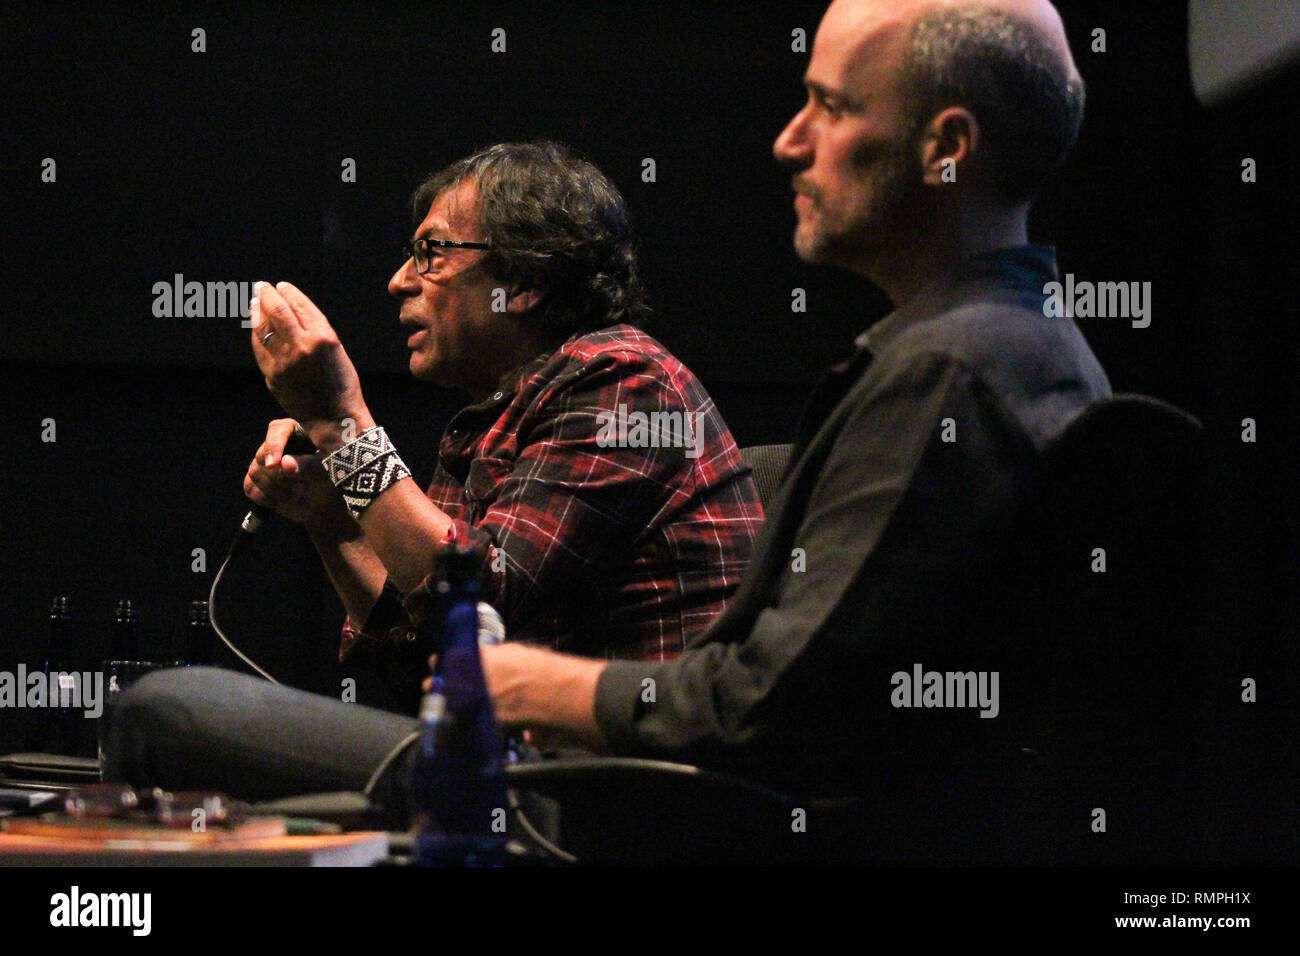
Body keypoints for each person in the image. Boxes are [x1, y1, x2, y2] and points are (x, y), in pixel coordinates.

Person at [113, 0, 1108, 861]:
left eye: (831, 106)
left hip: (639, 808)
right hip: (615, 784)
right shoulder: (969, 356)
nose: (787, 141)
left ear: (946, 148)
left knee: (164, 712)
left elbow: (758, 707)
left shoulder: (943, 374)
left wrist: (343, 422)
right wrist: (337, 516)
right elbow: (418, 646)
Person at [242, 141, 761, 708]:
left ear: (522, 280)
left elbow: (477, 605)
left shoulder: (624, 382)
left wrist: (340, 422)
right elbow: (421, 657)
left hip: (625, 778)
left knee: (175, 708)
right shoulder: (493, 413)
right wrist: (330, 517)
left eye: (431, 252)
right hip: (512, 762)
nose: (398, 281)